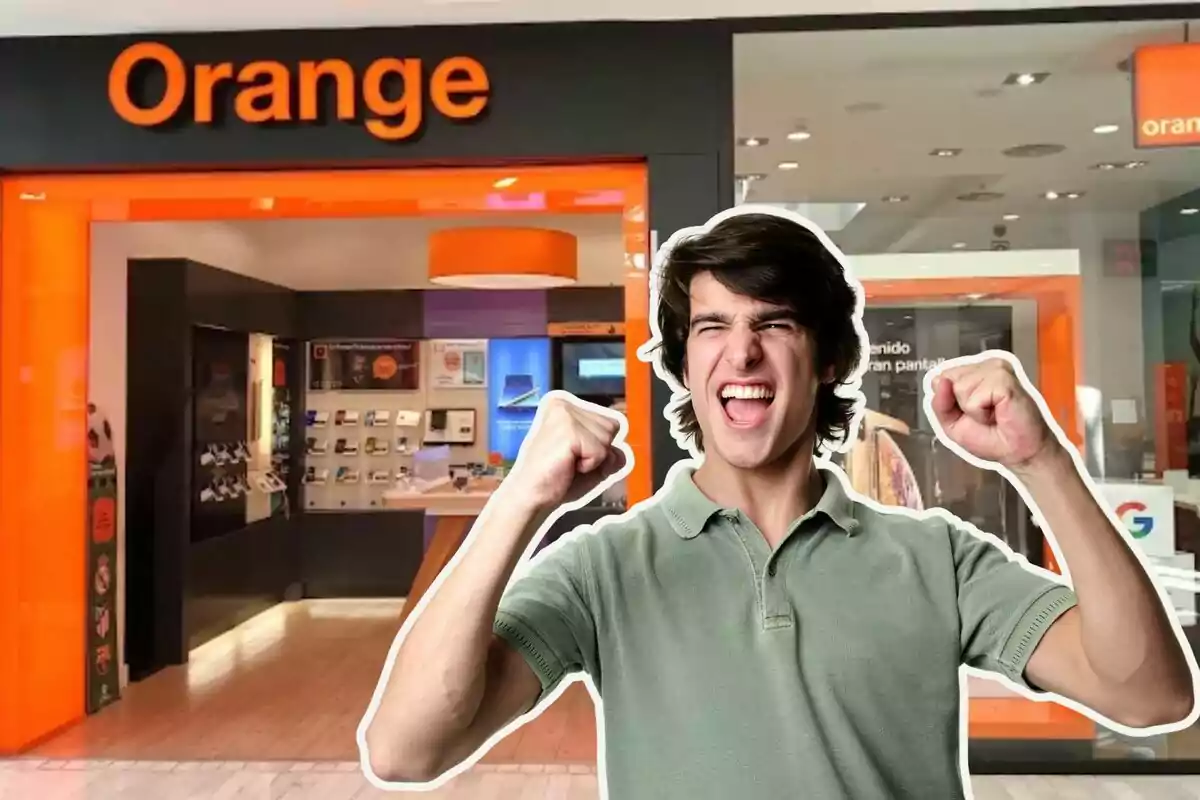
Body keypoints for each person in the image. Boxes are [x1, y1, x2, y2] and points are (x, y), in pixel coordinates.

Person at [360, 210, 1196, 799]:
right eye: (711, 328)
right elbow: (403, 751)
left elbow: (1150, 696)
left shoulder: (935, 559)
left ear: (829, 357)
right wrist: (521, 500)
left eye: (776, 324)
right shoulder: (603, 568)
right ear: (686, 365)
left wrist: (1041, 460)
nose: (742, 352)